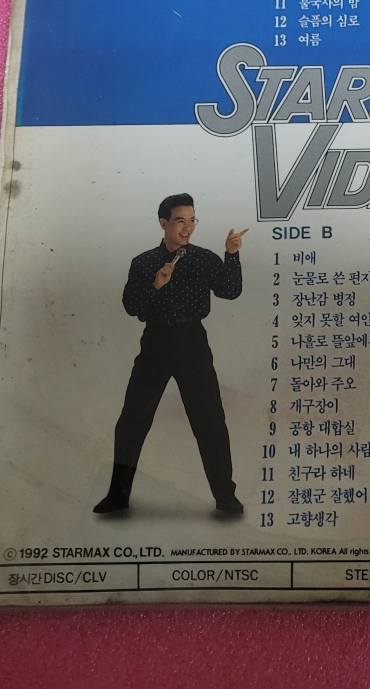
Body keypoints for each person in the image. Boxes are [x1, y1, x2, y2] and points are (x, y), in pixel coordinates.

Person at [94, 194, 249, 515]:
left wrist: (231, 255)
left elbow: (230, 291)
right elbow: (132, 307)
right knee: (133, 419)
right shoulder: (144, 262)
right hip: (156, 341)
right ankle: (118, 496)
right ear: (163, 223)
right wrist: (155, 286)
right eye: (180, 221)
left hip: (192, 342)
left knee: (210, 420)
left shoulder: (204, 258)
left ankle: (225, 497)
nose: (187, 228)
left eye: (192, 221)